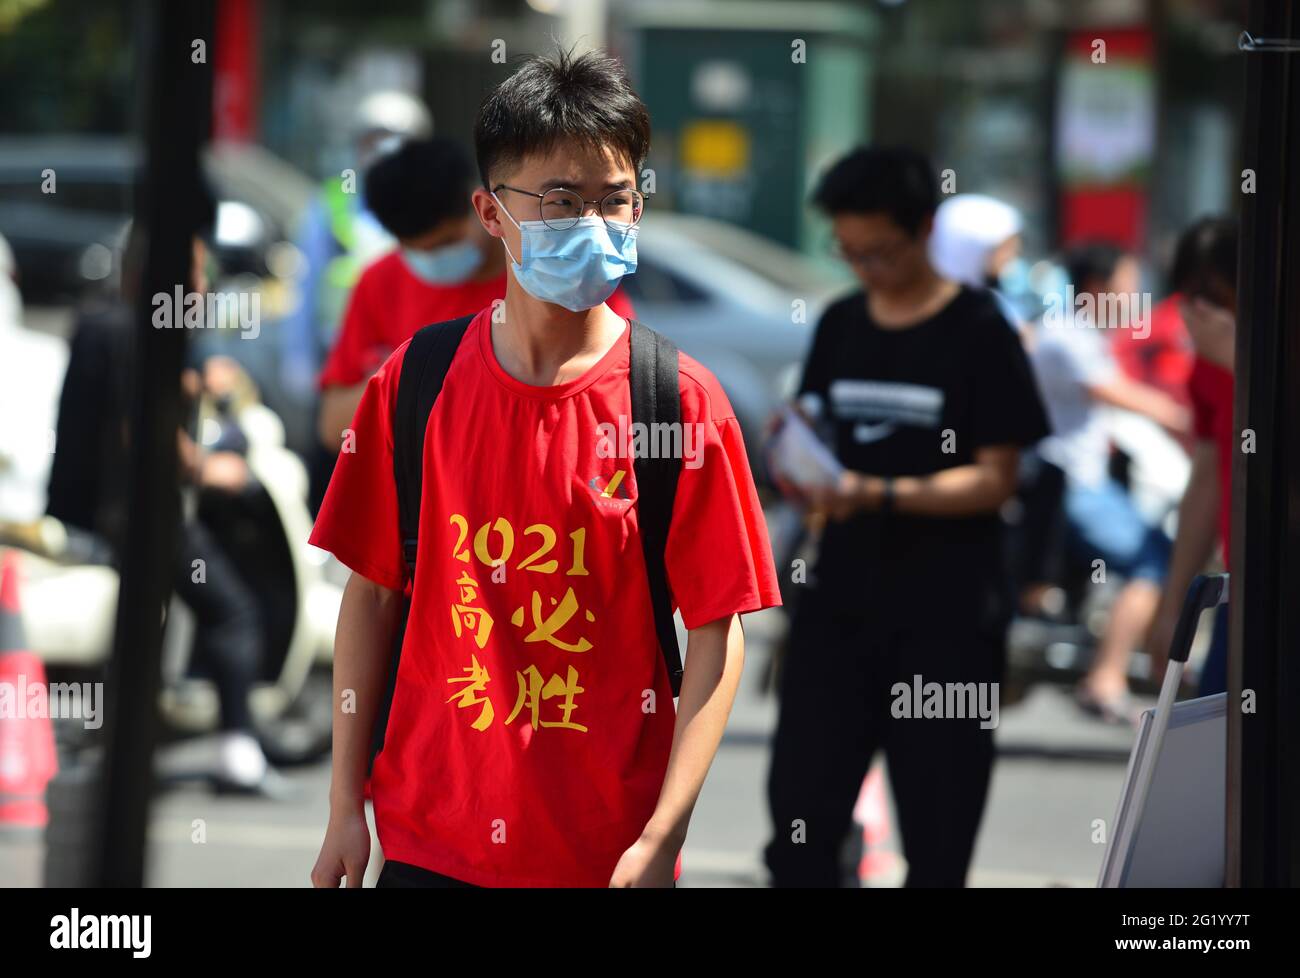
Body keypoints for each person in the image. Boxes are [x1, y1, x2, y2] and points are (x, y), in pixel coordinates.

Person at [308, 48, 781, 889]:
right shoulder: (416, 382)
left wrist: (664, 835)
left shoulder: (676, 402)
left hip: (602, 857)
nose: (594, 224)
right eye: (562, 200)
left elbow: (717, 632)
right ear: (492, 213)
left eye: (618, 200)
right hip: (428, 844)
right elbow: (372, 593)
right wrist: (346, 804)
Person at [763, 146, 1050, 887]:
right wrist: (796, 448)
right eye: (848, 251)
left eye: (879, 251)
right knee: (799, 824)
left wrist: (878, 492)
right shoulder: (840, 323)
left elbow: (996, 479)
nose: (864, 268)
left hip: (946, 618)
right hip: (837, 610)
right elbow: (820, 426)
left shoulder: (981, 330)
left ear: (923, 229)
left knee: (938, 836)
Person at [315, 136, 637, 453]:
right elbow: (334, 427)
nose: (440, 258)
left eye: (449, 241)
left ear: (484, 209)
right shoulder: (380, 283)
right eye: (425, 251)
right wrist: (407, 378)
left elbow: (618, 382)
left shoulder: (556, 274)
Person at [1029, 241, 1190, 721]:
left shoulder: (1079, 333)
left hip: (1079, 480)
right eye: (1128, 282)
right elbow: (1115, 392)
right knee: (1156, 561)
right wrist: (1191, 418)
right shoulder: (1067, 335)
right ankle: (1106, 677)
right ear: (1099, 287)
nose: (1135, 293)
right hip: (1073, 485)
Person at [1147, 217, 1238, 696]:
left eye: (1218, 297)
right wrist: (1173, 610)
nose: (1202, 312)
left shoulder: (1248, 357)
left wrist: (1240, 360)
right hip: (1236, 591)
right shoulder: (1208, 366)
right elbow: (1207, 480)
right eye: (1190, 297)